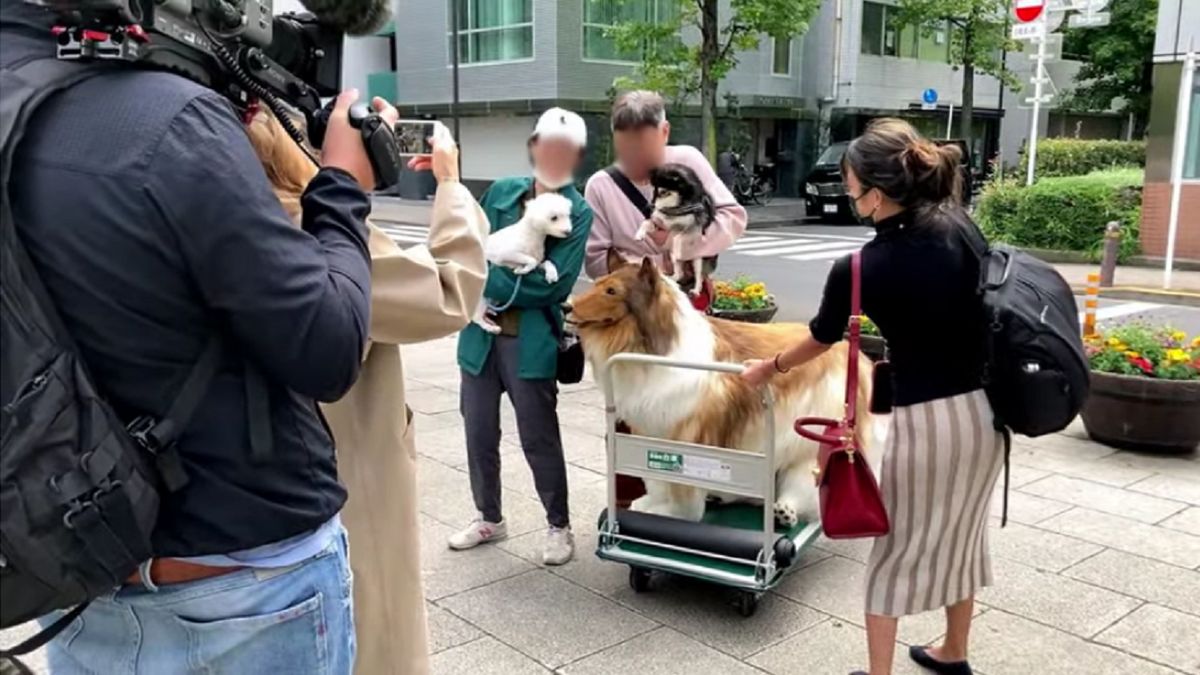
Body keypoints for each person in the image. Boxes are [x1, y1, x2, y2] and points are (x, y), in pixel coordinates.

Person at [3, 1, 380, 671]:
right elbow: (327, 346)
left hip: (72, 564)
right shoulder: (168, 120)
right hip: (244, 584)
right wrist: (343, 185)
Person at [742, 118, 1000, 675]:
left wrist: (769, 367)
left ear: (876, 195)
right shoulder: (961, 226)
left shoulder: (860, 267)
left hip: (926, 419)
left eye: (851, 183)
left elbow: (820, 337)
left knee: (893, 548)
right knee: (962, 531)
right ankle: (954, 651)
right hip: (986, 414)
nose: (848, 191)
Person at [245, 111, 487, 675]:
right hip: (340, 478)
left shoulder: (199, 216)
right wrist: (449, 183)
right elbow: (453, 288)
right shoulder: (311, 225)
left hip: (227, 514)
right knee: (374, 635)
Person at [451, 107, 593, 565]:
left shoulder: (578, 210)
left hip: (529, 342)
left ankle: (559, 525)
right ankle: (488, 516)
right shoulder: (502, 191)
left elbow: (552, 285)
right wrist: (475, 279)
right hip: (479, 339)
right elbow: (467, 248)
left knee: (538, 436)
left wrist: (482, 282)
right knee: (478, 432)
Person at [583, 90, 747, 311]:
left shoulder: (687, 161)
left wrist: (675, 244)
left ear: (665, 132)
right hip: (631, 311)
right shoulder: (600, 186)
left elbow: (732, 217)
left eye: (645, 148)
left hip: (685, 304)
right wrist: (662, 264)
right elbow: (596, 262)